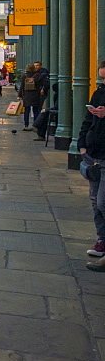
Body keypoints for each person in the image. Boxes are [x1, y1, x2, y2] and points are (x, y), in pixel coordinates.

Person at [78, 62, 105, 269]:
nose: (103, 82)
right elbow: (88, 119)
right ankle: (101, 241)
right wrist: (81, 145)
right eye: (101, 78)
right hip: (93, 152)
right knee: (95, 199)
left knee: (103, 201)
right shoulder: (98, 93)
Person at [18, 63, 46, 131]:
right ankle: (35, 125)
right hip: (35, 95)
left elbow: (22, 86)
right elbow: (41, 84)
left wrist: (19, 95)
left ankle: (26, 125)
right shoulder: (37, 75)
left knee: (26, 111)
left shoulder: (24, 76)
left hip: (26, 95)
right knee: (35, 110)